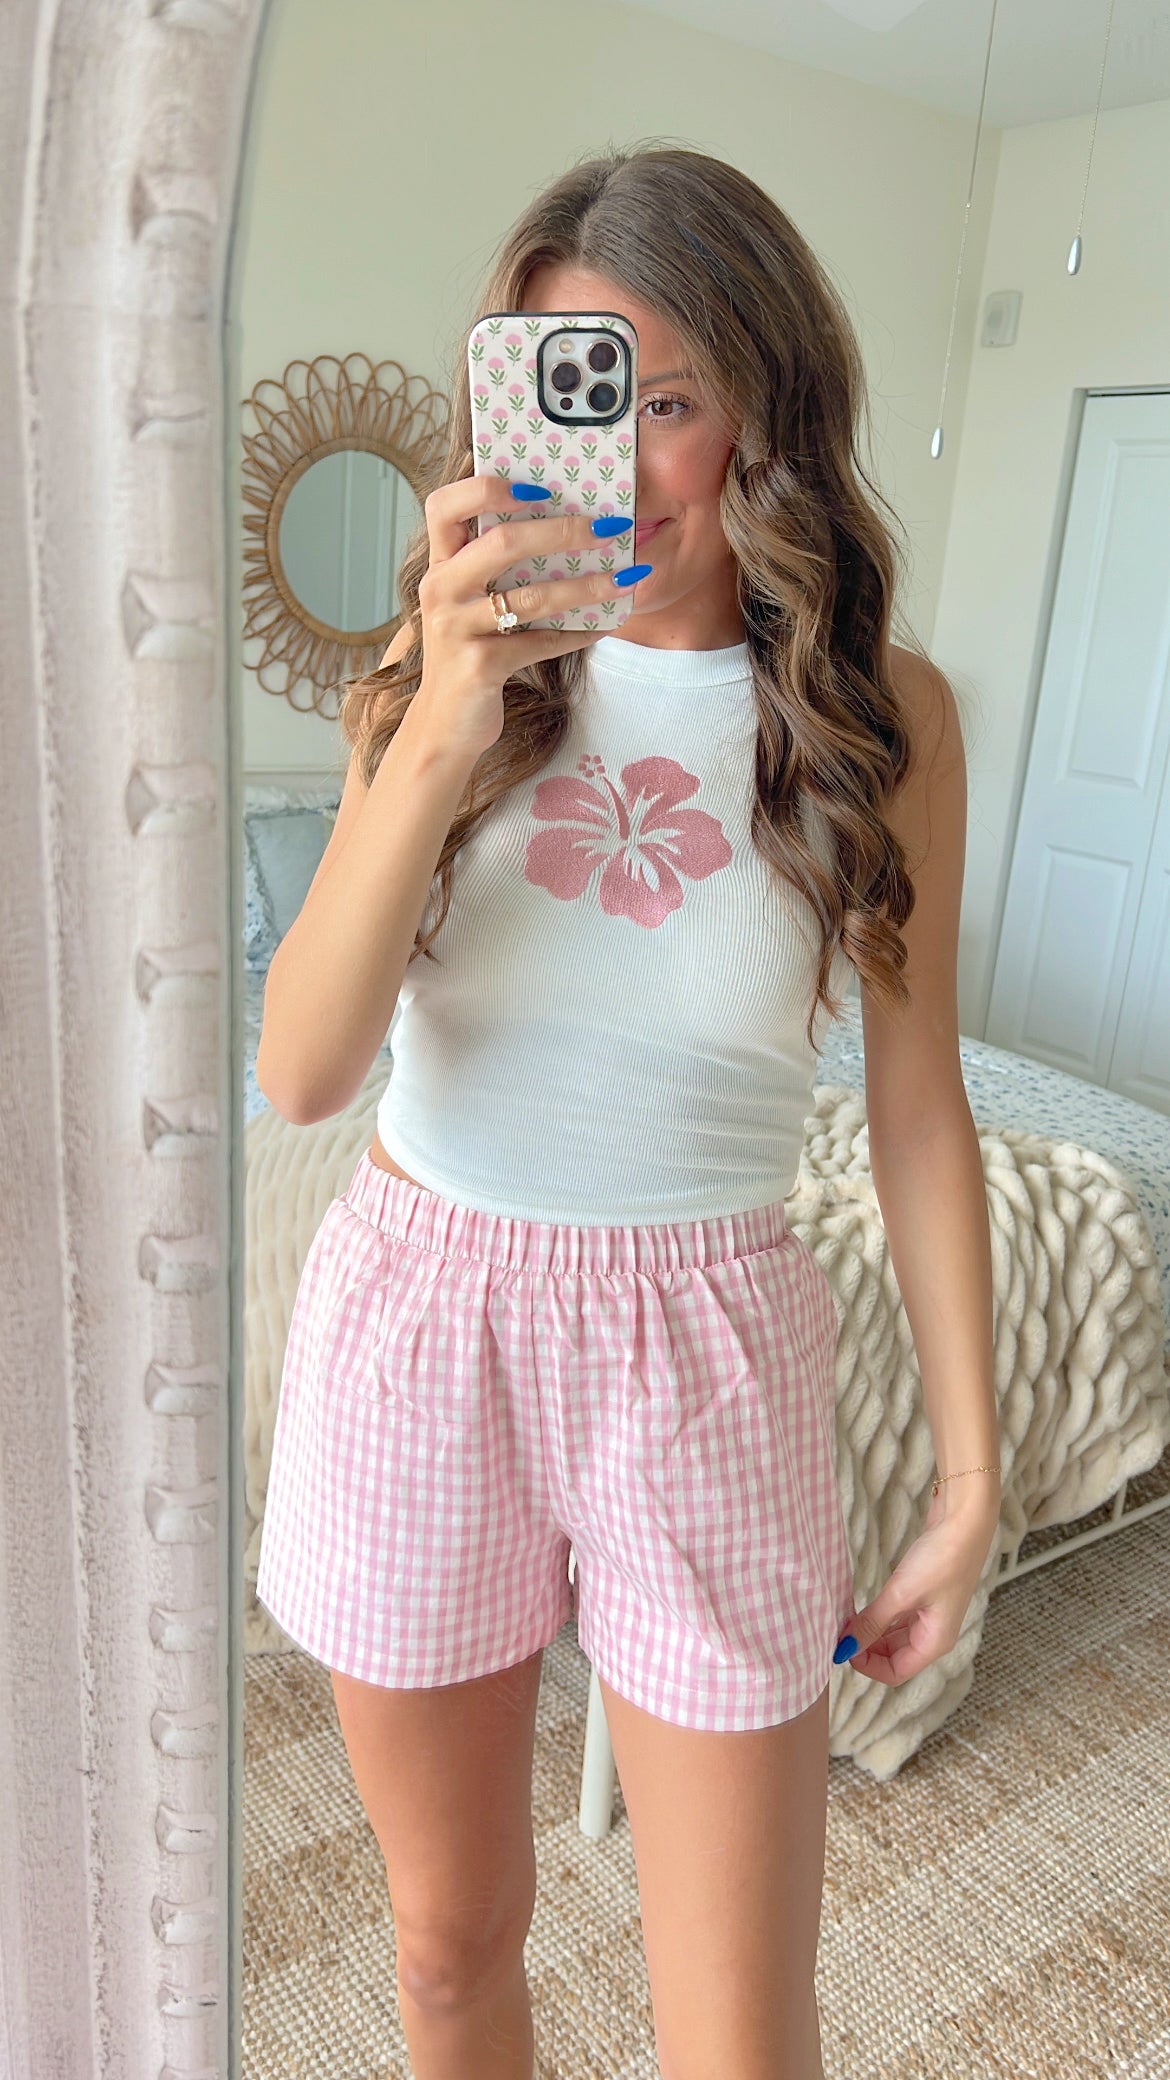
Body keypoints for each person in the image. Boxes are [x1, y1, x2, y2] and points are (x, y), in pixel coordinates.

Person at [254, 143, 1000, 2080]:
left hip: (706, 1339)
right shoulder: (433, 677)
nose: (630, 463)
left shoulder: (883, 718)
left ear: (765, 408)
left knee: (740, 2031)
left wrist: (971, 1478)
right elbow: (302, 1070)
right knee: (445, 1950)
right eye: (577, 395)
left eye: (667, 400)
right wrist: (440, 719)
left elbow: (920, 1114)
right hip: (423, 1320)